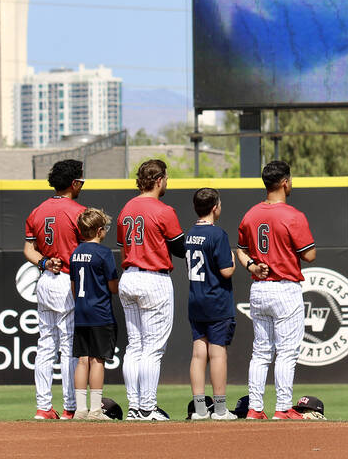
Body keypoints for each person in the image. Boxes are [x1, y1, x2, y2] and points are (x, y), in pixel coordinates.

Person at [235, 160, 316, 420]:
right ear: (284, 182)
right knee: (286, 351)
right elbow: (310, 254)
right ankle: (282, 408)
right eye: (290, 180)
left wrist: (251, 264)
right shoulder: (293, 215)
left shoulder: (251, 214)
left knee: (260, 352)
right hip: (284, 288)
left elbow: (241, 249)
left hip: (259, 288)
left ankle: (255, 409)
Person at [117, 159, 185, 421]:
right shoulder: (163, 209)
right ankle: (147, 407)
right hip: (153, 278)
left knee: (134, 347)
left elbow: (124, 244)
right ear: (158, 180)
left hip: (129, 276)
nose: (166, 182)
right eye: (165, 178)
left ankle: (135, 407)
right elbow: (179, 249)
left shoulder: (127, 208)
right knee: (152, 349)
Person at [23, 159, 86, 420]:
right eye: (80, 181)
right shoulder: (79, 211)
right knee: (68, 347)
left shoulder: (37, 211)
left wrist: (45, 261)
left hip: (45, 277)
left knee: (46, 345)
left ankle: (43, 407)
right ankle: (70, 407)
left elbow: (28, 249)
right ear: (73, 183)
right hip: (66, 279)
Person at [185, 187, 238, 421]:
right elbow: (226, 271)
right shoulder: (218, 235)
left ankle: (199, 409)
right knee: (217, 355)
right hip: (216, 301)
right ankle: (219, 409)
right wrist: (234, 260)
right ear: (215, 207)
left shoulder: (190, 233)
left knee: (198, 354)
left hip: (196, 301)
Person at [69, 208, 120, 421]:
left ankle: (80, 409)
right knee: (98, 360)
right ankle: (95, 410)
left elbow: (73, 286)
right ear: (99, 231)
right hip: (100, 313)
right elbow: (113, 287)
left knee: (82, 360)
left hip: (81, 312)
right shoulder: (104, 253)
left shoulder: (75, 253)